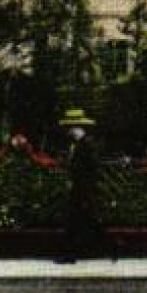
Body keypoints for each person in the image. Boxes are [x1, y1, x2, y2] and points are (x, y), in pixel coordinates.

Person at [55, 109, 113, 264]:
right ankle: (109, 249)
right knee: (82, 221)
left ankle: (72, 254)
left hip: (83, 189)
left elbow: (90, 167)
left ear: (76, 127)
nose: (67, 131)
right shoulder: (78, 144)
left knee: (77, 221)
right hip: (80, 188)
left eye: (70, 127)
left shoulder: (87, 144)